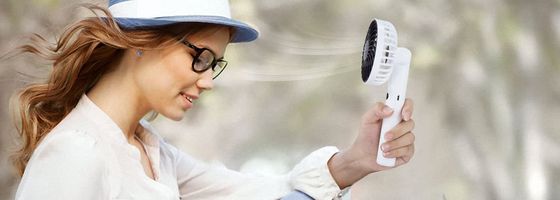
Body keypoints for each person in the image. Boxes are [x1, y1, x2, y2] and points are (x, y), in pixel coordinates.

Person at [10, 0, 416, 199]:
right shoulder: (76, 153)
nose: (207, 82)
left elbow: (261, 193)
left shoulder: (152, 151)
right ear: (140, 42)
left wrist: (355, 161)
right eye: (200, 57)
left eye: (214, 65)